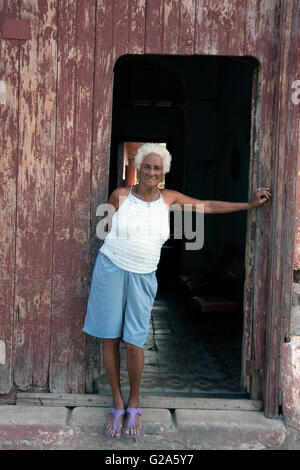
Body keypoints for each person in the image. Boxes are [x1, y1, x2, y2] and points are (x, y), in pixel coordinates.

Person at [83, 143, 271, 438]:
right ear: (138, 168)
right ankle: (118, 403)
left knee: (134, 342)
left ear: (163, 173)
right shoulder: (119, 197)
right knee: (110, 338)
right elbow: (107, 233)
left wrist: (248, 205)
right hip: (111, 270)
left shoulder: (168, 199)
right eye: (147, 166)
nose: (151, 172)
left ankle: (134, 399)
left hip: (144, 276)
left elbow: (207, 206)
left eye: (157, 168)